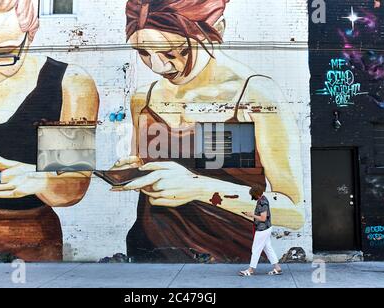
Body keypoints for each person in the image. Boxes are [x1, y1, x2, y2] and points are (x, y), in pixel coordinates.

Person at [111, 0, 304, 262]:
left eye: (173, 51)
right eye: (142, 52)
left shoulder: (253, 95)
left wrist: (198, 187)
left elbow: (293, 211)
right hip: (147, 253)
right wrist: (136, 170)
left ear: (217, 29)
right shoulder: (143, 99)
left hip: (226, 260)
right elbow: (154, 166)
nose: (158, 66)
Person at [0, 0, 98, 261]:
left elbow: (74, 185)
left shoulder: (68, 84)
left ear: (31, 35)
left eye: (2, 53)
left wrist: (38, 179)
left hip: (28, 244)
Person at [240, 185, 283, 276]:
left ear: (256, 194)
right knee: (268, 248)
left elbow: (263, 218)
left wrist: (252, 215)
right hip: (265, 228)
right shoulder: (263, 199)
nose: (252, 197)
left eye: (253, 195)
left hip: (262, 229)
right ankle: (277, 268)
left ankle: (250, 270)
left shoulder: (262, 202)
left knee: (256, 249)